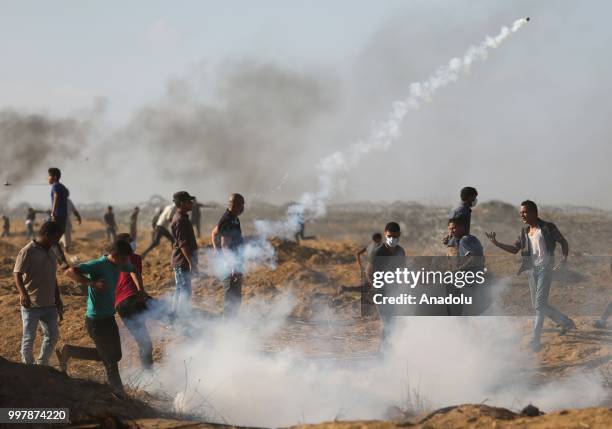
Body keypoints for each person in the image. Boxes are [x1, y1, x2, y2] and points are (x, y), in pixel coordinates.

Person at [486, 200, 576, 352]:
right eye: (521, 213)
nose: (522, 215)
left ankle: (556, 327)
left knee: (539, 304)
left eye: (525, 212)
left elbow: (563, 241)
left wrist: (564, 258)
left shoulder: (547, 227)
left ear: (534, 212)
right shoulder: (525, 231)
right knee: (537, 306)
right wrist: (496, 243)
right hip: (532, 271)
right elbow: (515, 249)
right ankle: (551, 330)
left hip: (545, 269)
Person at [60, 239, 136, 392]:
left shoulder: (121, 263)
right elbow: (69, 272)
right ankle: (118, 394)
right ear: (114, 255)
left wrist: (140, 288)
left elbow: (132, 268)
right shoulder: (98, 264)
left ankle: (70, 351)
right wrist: (92, 283)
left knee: (116, 355)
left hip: (109, 317)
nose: (125, 262)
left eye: (127, 258)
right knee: (110, 362)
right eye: (123, 258)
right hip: (95, 321)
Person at [13, 221, 64, 365]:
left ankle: (42, 364)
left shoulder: (51, 251)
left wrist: (58, 298)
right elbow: (17, 273)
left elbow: (52, 277)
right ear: (47, 235)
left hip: (49, 304)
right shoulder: (28, 251)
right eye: (56, 238)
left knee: (53, 336)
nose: (58, 241)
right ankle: (28, 366)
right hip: (32, 304)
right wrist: (23, 294)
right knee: (29, 337)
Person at [113, 233, 153, 369]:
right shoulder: (134, 257)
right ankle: (148, 375)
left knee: (143, 341)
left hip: (120, 305)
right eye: (130, 241)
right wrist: (141, 291)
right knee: (146, 342)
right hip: (132, 300)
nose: (134, 243)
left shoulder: (112, 261)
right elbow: (134, 273)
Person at [366, 222, 406, 343]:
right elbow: (368, 271)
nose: (392, 239)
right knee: (387, 324)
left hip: (393, 292)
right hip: (380, 293)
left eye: (395, 236)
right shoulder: (378, 252)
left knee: (392, 323)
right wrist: (376, 286)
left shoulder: (400, 252)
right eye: (389, 236)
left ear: (399, 235)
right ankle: (382, 353)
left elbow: (402, 271)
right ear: (385, 234)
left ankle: (387, 351)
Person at [211, 193, 245, 318]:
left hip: (235, 262)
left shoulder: (234, 219)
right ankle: (227, 327)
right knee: (231, 297)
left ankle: (232, 323)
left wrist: (215, 248)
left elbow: (214, 232)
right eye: (242, 204)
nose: (243, 207)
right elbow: (225, 246)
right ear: (235, 205)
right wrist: (232, 266)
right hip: (230, 264)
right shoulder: (227, 220)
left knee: (236, 297)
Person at [170, 192, 198, 317]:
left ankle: (175, 316)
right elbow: (183, 245)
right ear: (181, 203)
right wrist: (191, 262)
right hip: (182, 261)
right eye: (189, 201)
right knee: (184, 291)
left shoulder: (182, 218)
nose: (191, 203)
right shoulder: (180, 220)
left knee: (181, 290)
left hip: (182, 261)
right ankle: (181, 318)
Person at [47, 168, 70, 266]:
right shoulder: (62, 187)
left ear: (54, 177)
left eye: (49, 176)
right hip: (64, 218)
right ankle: (59, 262)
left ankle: (63, 262)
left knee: (51, 240)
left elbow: (56, 196)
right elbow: (67, 194)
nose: (47, 178)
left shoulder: (55, 186)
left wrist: (53, 213)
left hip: (58, 216)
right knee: (53, 241)